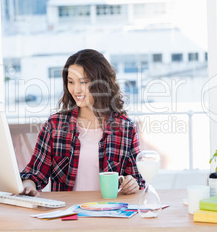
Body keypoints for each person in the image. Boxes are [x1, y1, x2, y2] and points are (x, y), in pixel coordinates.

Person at [20, 49, 145, 196]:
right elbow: (34, 173)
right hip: (67, 213)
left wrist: (132, 184)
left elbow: (138, 181)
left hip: (110, 213)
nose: (76, 90)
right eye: (71, 82)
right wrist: (29, 187)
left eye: (84, 82)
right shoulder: (55, 125)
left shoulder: (125, 128)